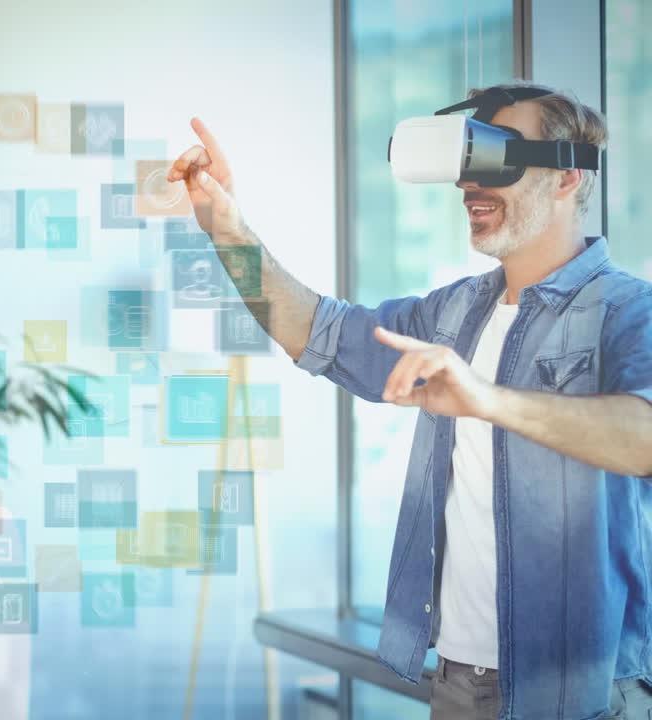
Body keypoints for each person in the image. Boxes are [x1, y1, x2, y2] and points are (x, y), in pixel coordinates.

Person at [168, 82, 652, 719]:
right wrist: (227, 232)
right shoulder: (453, 312)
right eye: (464, 166)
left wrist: (488, 399)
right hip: (457, 681)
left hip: (581, 691)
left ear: (565, 177)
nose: (467, 188)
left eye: (493, 161)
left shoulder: (629, 311)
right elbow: (317, 332)